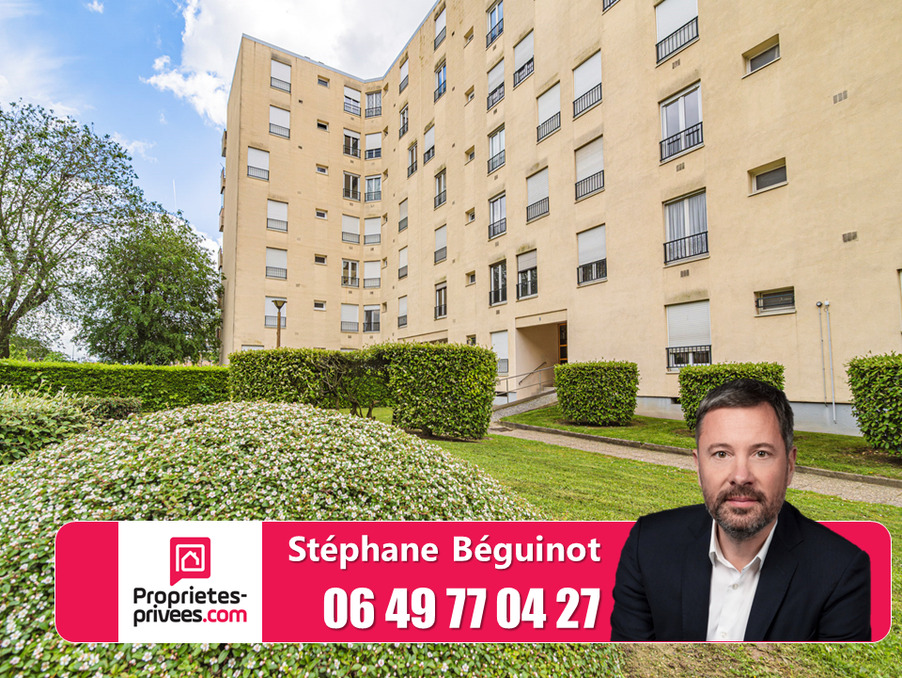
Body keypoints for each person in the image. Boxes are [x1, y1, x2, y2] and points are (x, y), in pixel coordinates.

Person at [610, 378, 871, 641]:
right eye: (721, 454)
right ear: (698, 467)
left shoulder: (841, 571)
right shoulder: (647, 544)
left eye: (761, 453)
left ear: (790, 466)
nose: (741, 476)